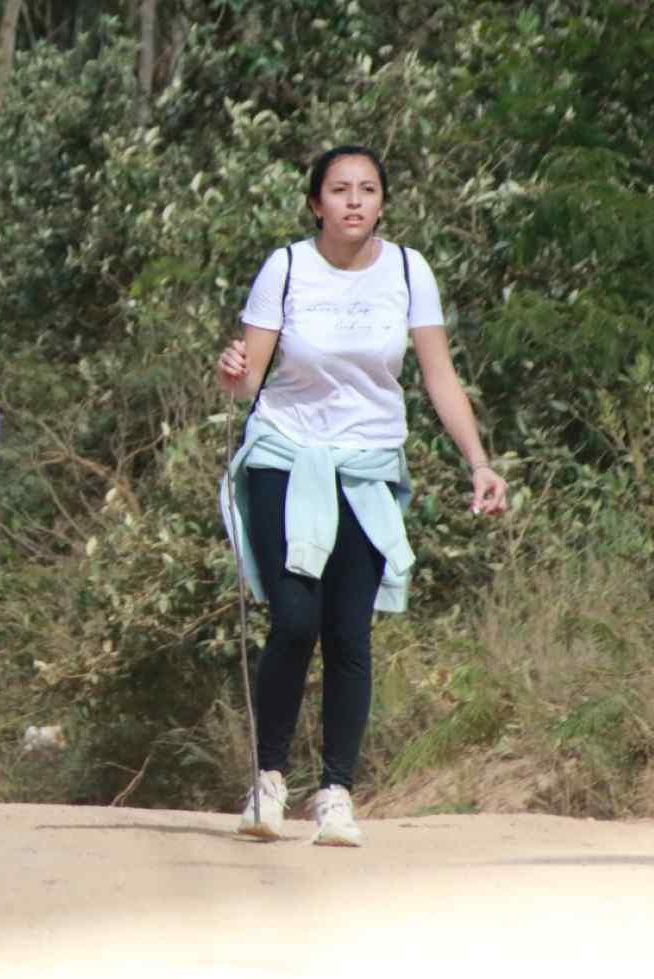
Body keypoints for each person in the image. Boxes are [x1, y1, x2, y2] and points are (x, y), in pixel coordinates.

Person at [218, 144, 509, 847]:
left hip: (367, 467)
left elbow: (437, 375)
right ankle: (267, 781)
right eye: (338, 190)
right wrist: (229, 370)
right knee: (293, 620)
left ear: (382, 201)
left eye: (367, 189)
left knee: (348, 631)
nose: (353, 201)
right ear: (315, 202)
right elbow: (245, 378)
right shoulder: (285, 268)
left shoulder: (408, 272)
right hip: (285, 458)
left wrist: (478, 461)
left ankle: (336, 792)